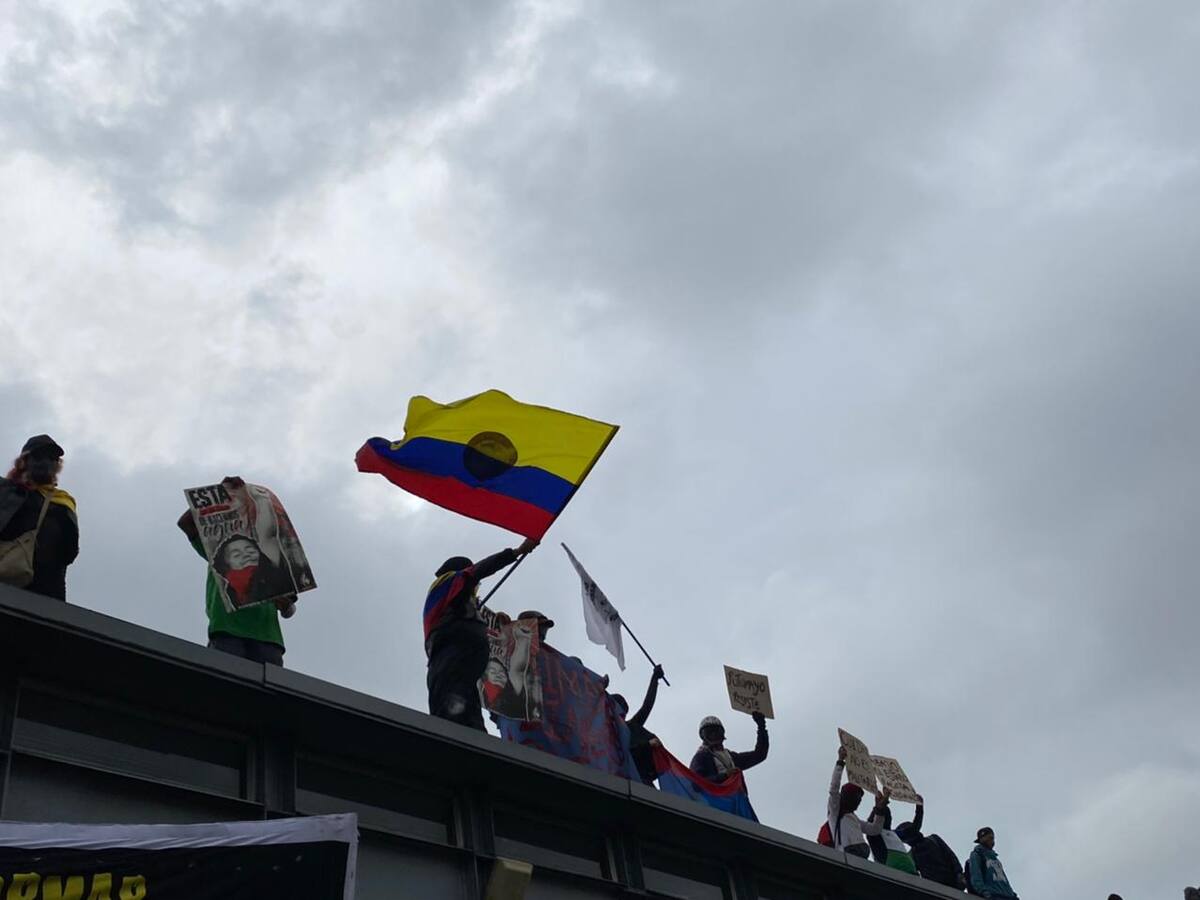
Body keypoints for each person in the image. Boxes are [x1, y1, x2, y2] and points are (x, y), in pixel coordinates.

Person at [178, 476, 296, 665]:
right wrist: (219, 493)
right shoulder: (218, 546)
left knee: (262, 682)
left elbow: (289, 609)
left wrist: (284, 603)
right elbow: (186, 523)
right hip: (229, 631)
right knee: (225, 677)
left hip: (265, 637)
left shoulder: (273, 561)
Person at [425, 538, 538, 730]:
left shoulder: (452, 594)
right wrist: (515, 553)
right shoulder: (448, 583)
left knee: (453, 700)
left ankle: (457, 737)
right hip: (460, 649)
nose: (476, 587)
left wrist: (516, 552)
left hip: (455, 650)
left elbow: (475, 579)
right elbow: (475, 572)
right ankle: (468, 735)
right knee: (462, 699)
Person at [0, 435, 79, 601]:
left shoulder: (63, 503)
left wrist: (58, 606)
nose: (46, 462)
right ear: (24, 461)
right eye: (39, 456)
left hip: (46, 593)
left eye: (52, 458)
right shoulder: (6, 491)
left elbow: (65, 556)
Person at [612, 663, 666, 785]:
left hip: (640, 779)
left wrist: (654, 679)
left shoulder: (630, 727)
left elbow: (647, 706)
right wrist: (647, 745)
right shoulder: (603, 732)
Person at [827, 746, 886, 858]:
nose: (857, 802)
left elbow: (875, 829)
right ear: (846, 796)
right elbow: (834, 789)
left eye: (859, 799)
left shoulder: (855, 819)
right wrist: (840, 762)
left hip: (862, 856)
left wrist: (880, 809)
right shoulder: (835, 812)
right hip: (846, 854)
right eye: (855, 797)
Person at [894, 801, 967, 889]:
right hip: (932, 887)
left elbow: (950, 855)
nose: (907, 840)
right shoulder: (912, 853)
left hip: (951, 882)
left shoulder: (933, 839)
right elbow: (914, 873)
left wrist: (959, 873)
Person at [690, 711, 769, 786]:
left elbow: (760, 754)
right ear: (703, 737)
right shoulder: (701, 757)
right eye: (709, 732)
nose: (714, 735)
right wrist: (724, 776)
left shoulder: (731, 757)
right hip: (715, 795)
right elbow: (695, 783)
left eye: (717, 731)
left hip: (736, 795)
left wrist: (761, 727)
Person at [866, 789, 919, 874]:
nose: (890, 818)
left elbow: (914, 829)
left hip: (911, 874)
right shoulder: (874, 833)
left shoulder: (895, 834)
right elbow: (872, 822)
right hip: (891, 875)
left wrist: (919, 808)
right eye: (887, 815)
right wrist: (879, 807)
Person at [966, 827, 1019, 898]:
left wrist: (1012, 894)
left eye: (993, 838)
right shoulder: (977, 855)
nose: (992, 841)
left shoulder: (995, 859)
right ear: (982, 839)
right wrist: (983, 891)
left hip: (1007, 896)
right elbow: (976, 875)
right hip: (993, 895)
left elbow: (1003, 879)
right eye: (989, 838)